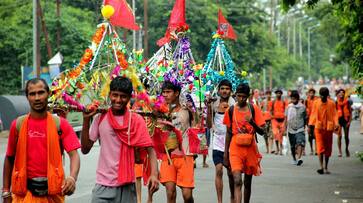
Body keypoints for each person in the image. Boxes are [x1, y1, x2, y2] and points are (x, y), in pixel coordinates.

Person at [2, 78, 81, 203]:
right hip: (24, 195)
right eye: (32, 94)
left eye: (41, 92)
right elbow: (9, 158)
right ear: (27, 97)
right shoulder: (17, 125)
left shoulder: (60, 124)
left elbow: (74, 155)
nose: (37, 98)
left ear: (48, 94)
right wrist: (6, 191)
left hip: (52, 195)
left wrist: (72, 178)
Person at [81, 76, 159, 202]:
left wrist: (154, 175)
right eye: (115, 95)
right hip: (102, 185)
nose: (118, 100)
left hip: (127, 187)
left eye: (123, 96)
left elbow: (150, 150)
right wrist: (85, 120)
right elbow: (85, 149)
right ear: (109, 95)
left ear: (129, 97)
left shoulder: (136, 120)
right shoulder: (100, 118)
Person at [223, 83, 265, 203]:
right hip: (235, 148)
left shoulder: (254, 109)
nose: (241, 99)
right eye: (239, 96)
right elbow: (228, 133)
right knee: (237, 180)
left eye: (244, 96)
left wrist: (252, 122)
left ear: (248, 96)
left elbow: (262, 132)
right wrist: (225, 154)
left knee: (247, 182)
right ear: (235, 95)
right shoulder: (230, 110)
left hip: (250, 148)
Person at [159, 81, 196, 203]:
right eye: (163, 92)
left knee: (187, 195)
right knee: (170, 192)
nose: (165, 95)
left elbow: (195, 126)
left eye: (168, 92)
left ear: (176, 93)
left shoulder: (186, 110)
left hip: (185, 154)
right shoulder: (159, 111)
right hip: (168, 155)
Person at [206, 79, 235, 203]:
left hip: (231, 142)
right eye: (222, 88)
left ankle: (233, 196)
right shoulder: (213, 104)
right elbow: (208, 124)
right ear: (218, 90)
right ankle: (220, 201)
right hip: (217, 141)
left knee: (231, 173)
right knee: (219, 170)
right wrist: (208, 107)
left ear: (231, 91)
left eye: (227, 89)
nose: (224, 91)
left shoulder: (234, 104)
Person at [309, 87, 338, 174]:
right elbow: (313, 114)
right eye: (321, 96)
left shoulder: (332, 103)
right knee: (320, 147)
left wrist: (336, 124)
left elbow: (334, 115)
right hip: (319, 128)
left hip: (328, 128)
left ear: (327, 95)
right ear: (320, 95)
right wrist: (310, 126)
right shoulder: (316, 103)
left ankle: (326, 166)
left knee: (328, 148)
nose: (323, 98)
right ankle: (321, 166)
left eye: (324, 96)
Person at [285, 90, 307, 165]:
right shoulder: (289, 107)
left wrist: (305, 126)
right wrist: (285, 128)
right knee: (292, 146)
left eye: (294, 98)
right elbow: (286, 118)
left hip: (300, 128)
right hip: (291, 129)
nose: (293, 100)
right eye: (292, 98)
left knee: (299, 142)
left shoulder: (303, 107)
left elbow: (305, 118)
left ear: (298, 99)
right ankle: (294, 158)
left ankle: (299, 158)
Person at [335, 89, 352, 157]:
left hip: (346, 121)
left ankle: (346, 149)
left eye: (343, 93)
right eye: (340, 93)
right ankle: (340, 151)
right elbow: (334, 113)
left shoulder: (347, 102)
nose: (341, 94)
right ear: (338, 94)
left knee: (346, 137)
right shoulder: (336, 102)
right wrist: (336, 123)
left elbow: (350, 113)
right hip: (339, 121)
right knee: (339, 136)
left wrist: (349, 122)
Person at [271, 89, 286, 155]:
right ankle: (277, 149)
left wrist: (285, 121)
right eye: (277, 93)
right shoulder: (273, 102)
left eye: (279, 93)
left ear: (281, 94)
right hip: (275, 120)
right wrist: (272, 116)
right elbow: (271, 110)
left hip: (282, 120)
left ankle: (280, 149)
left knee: (281, 135)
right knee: (275, 134)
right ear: (276, 94)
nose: (278, 94)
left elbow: (286, 110)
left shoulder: (283, 102)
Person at [305, 88, 318, 155]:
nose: (311, 94)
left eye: (313, 93)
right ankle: (311, 149)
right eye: (310, 93)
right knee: (310, 135)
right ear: (309, 93)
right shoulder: (307, 101)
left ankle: (316, 149)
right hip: (309, 120)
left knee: (316, 135)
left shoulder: (317, 100)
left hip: (316, 120)